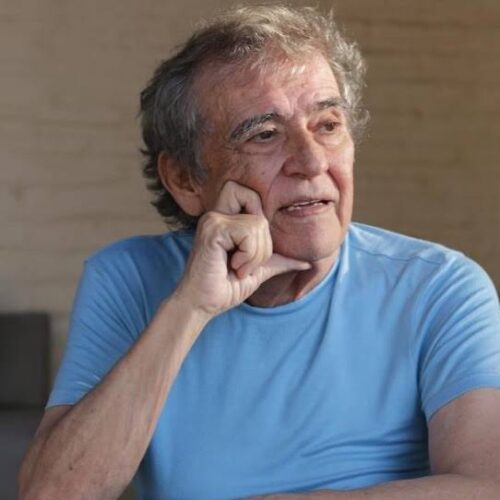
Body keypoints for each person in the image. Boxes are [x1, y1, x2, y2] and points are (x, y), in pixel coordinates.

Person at [18, 5, 500, 500]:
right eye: (264, 134)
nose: (311, 161)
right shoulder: (128, 279)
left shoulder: (439, 288)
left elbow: (486, 486)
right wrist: (190, 307)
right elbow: (53, 495)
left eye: (328, 125)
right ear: (186, 180)